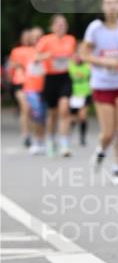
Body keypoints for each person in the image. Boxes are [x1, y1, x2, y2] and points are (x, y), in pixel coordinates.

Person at [81, 0, 118, 185]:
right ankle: (101, 150)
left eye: (115, 2)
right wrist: (106, 62)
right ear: (103, 6)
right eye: (108, 3)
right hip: (102, 85)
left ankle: (117, 169)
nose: (112, 7)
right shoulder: (95, 28)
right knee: (108, 133)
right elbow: (84, 55)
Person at [34, 14, 77, 157]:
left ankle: (64, 143)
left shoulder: (70, 40)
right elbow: (35, 57)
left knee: (64, 110)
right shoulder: (46, 40)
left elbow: (74, 57)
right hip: (50, 78)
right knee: (53, 114)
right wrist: (46, 56)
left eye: (64, 24)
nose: (61, 26)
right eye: (58, 24)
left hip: (65, 77)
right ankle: (51, 139)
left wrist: (75, 59)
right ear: (52, 27)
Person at [6, 30, 33, 147]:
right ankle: (25, 134)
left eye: (29, 37)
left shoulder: (36, 50)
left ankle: (32, 133)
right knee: (25, 108)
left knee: (31, 109)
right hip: (19, 83)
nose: (27, 39)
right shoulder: (16, 51)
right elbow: (10, 68)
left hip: (32, 83)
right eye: (25, 37)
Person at [23, 28, 47, 155]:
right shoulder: (27, 51)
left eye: (39, 36)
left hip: (45, 87)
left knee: (43, 116)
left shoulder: (47, 49)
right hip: (31, 88)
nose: (37, 39)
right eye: (34, 37)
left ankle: (41, 140)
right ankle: (35, 141)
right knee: (36, 113)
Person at [68, 44, 92, 146]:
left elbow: (88, 74)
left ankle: (82, 137)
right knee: (73, 117)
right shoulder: (70, 64)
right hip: (74, 93)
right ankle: (68, 134)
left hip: (86, 92)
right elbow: (73, 75)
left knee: (83, 116)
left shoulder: (88, 64)